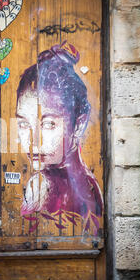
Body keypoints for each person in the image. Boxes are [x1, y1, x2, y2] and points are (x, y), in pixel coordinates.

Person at [16, 41, 103, 239]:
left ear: (79, 124)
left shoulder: (41, 186)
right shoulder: (91, 184)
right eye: (23, 124)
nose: (33, 141)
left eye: (48, 124)